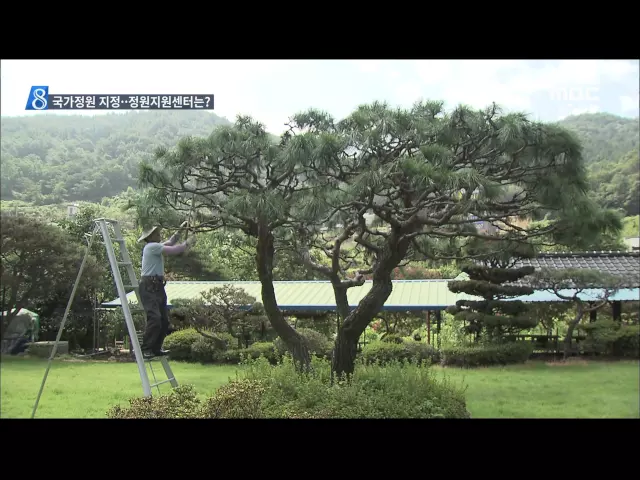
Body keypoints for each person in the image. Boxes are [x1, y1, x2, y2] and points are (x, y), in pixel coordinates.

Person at [137, 221, 196, 359]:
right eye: (156, 233)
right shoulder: (151, 247)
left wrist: (180, 230)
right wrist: (188, 242)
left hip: (157, 287)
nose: (159, 234)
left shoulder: (156, 246)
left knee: (164, 321)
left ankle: (156, 349)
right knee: (155, 319)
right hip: (149, 287)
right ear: (150, 237)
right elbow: (175, 250)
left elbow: (170, 242)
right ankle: (146, 349)